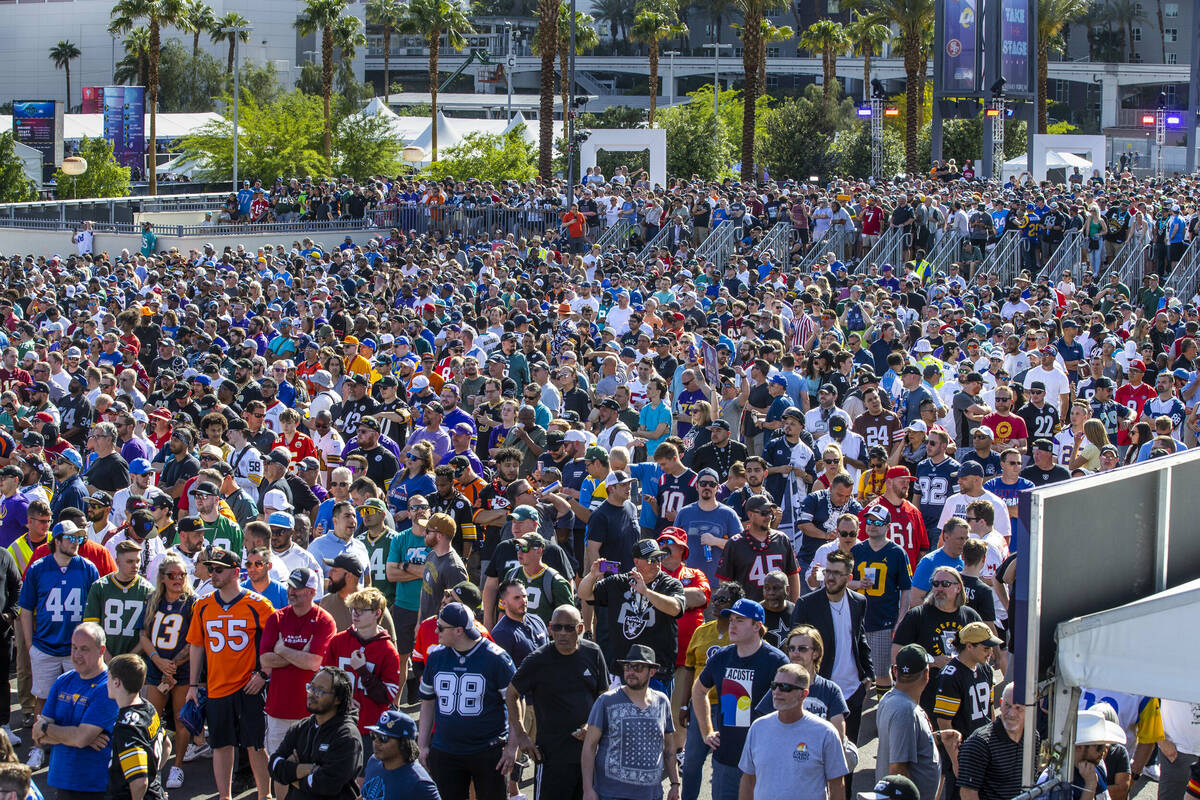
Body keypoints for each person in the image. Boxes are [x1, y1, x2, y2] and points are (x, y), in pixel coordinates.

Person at [185, 547, 276, 800]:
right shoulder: (202, 605)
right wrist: (193, 685)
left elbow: (272, 645)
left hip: (249, 686)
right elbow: (196, 644)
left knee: (256, 744)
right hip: (216, 686)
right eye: (211, 568)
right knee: (221, 745)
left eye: (218, 569)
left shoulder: (258, 604)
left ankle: (264, 794)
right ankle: (224, 797)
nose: (212, 573)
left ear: (236, 572)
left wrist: (263, 675)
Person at [501, 604, 607, 800]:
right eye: (557, 627)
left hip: (589, 754)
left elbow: (603, 696)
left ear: (581, 629)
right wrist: (522, 735)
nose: (562, 633)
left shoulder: (593, 653)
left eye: (569, 627)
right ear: (550, 628)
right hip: (551, 757)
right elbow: (511, 694)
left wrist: (592, 725)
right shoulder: (538, 659)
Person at [19, 518, 100, 763]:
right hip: (45, 646)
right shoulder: (38, 568)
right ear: (57, 541)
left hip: (77, 649)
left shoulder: (87, 568)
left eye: (79, 538)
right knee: (42, 700)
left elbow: (96, 605)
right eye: (71, 538)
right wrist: (30, 645)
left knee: (81, 699)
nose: (76, 542)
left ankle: (74, 747)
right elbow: (25, 609)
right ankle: (39, 746)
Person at [691, 598, 788, 800]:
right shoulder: (721, 657)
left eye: (740, 620)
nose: (732, 625)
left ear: (757, 626)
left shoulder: (776, 661)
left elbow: (788, 705)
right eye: (731, 619)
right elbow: (698, 690)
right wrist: (707, 731)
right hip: (726, 758)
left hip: (763, 760)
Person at [417, 602, 515, 800]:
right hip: (446, 750)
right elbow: (427, 703)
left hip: (487, 750)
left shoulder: (496, 658)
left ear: (459, 630)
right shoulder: (436, 657)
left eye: (441, 627)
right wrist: (423, 745)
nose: (436, 631)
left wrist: (512, 747)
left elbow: (515, 705)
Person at [790, 549, 873, 781]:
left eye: (837, 573)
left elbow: (860, 637)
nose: (830, 578)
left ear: (848, 576)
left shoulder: (859, 601)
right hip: (820, 692)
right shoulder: (808, 604)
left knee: (846, 759)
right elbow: (794, 645)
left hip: (852, 691)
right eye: (828, 572)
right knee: (812, 758)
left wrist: (868, 675)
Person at [579, 537, 686, 690]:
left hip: (656, 674)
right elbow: (585, 594)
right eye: (651, 559)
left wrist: (646, 592)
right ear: (636, 562)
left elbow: (676, 608)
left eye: (659, 558)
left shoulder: (670, 583)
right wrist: (592, 575)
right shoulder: (619, 582)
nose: (657, 563)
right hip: (624, 672)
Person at [30, 622, 120, 799]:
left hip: (94, 786)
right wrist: (76, 735)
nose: (77, 655)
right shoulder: (63, 680)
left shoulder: (108, 686)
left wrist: (47, 729)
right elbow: (37, 736)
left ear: (102, 650)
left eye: (84, 649)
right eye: (74, 647)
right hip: (62, 781)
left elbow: (80, 738)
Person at [260, 567, 337, 770]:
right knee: (279, 768)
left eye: (297, 588)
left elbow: (315, 662)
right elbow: (265, 660)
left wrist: (282, 650)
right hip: (278, 709)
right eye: (290, 586)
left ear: (312, 591)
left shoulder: (324, 620)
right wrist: (299, 654)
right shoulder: (277, 618)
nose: (291, 591)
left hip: (311, 712)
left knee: (309, 768)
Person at [581, 643, 680, 800]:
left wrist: (675, 783)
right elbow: (589, 746)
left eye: (638, 667)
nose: (631, 672)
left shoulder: (662, 702)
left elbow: (669, 748)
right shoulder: (606, 701)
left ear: (652, 671)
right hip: (611, 794)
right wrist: (587, 789)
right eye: (627, 667)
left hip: (651, 795)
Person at [737, 664, 848, 800]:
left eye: (785, 687)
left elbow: (837, 785)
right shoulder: (758, 728)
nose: (777, 692)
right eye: (774, 685)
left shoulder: (826, 733)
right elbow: (748, 779)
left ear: (803, 694)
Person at [138, 552, 199, 789]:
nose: (178, 579)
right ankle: (151, 765)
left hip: (181, 672)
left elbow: (195, 640)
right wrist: (157, 659)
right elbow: (143, 634)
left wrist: (173, 665)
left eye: (182, 574)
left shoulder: (192, 604)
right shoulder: (153, 599)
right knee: (151, 720)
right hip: (156, 669)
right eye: (172, 575)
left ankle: (178, 766)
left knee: (181, 720)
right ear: (162, 577)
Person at [892, 567, 983, 717]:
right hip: (927, 699)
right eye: (935, 584)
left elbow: (984, 654)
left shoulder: (970, 616)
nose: (939, 588)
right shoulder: (917, 616)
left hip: (963, 698)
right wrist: (933, 662)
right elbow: (896, 656)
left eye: (945, 584)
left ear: (958, 588)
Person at [322, 587, 402, 750]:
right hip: (337, 722)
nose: (355, 614)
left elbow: (387, 696)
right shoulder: (338, 641)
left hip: (369, 728)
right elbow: (323, 679)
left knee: (363, 775)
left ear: (377, 613)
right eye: (353, 609)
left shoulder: (388, 650)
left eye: (361, 610)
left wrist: (363, 671)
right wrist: (343, 698)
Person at [268, 665, 364, 800]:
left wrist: (290, 775)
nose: (312, 693)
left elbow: (326, 785)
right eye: (311, 687)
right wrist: (306, 769)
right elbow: (273, 766)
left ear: (338, 699)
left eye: (320, 691)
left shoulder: (347, 737)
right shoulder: (301, 727)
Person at [932, 622, 1001, 800]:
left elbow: (990, 708)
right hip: (964, 752)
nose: (990, 653)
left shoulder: (985, 668)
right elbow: (944, 723)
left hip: (983, 748)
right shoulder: (951, 676)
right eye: (986, 648)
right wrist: (956, 763)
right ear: (969, 646)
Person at [851, 505, 912, 696]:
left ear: (887, 526)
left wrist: (901, 620)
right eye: (869, 521)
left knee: (882, 672)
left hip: (884, 620)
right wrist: (858, 583)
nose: (872, 526)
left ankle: (884, 708)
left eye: (877, 522)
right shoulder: (857, 550)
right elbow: (842, 581)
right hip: (858, 621)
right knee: (856, 670)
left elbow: (906, 589)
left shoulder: (897, 553)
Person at [875, 644, 950, 800]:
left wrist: (936, 738)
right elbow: (898, 769)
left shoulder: (890, 699)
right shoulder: (906, 711)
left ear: (895, 671)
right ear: (926, 675)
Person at [715, 494, 801, 602]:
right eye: (764, 513)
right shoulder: (735, 544)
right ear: (750, 515)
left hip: (778, 609)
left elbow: (793, 575)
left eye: (770, 512)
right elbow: (724, 582)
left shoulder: (782, 539)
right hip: (747, 611)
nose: (769, 517)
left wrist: (794, 607)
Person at [105, 653, 167, 800]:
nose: (106, 683)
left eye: (108, 678)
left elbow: (139, 782)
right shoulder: (148, 707)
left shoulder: (126, 727)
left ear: (116, 682)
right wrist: (154, 778)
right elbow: (167, 746)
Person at [958, 684, 1035, 800]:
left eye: (1018, 708)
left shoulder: (1032, 737)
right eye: (1007, 706)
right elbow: (967, 793)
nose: (1011, 713)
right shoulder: (979, 744)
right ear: (1001, 702)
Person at [82, 540, 154, 659]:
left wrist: (126, 660)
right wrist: (108, 658)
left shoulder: (148, 590)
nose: (135, 566)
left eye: (138, 561)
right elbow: (91, 628)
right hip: (103, 658)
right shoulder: (99, 587)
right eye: (130, 561)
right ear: (117, 562)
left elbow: (148, 634)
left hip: (135, 661)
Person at [363, 710, 440, 800]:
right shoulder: (374, 761)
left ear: (403, 743)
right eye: (374, 735)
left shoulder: (419, 784)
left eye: (384, 738)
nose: (376, 742)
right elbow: (366, 795)